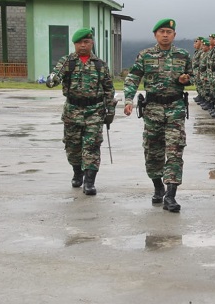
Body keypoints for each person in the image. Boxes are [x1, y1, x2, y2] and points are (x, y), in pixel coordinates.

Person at [123, 19, 191, 213]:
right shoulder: (145, 55)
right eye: (161, 31)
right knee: (153, 152)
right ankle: (158, 186)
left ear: (174, 35)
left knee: (175, 150)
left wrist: (186, 80)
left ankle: (170, 195)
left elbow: (193, 76)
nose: (165, 34)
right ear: (155, 35)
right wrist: (129, 99)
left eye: (169, 31)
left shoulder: (183, 55)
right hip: (152, 110)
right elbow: (133, 77)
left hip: (175, 109)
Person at [46, 28, 115, 196]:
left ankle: (90, 182)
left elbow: (109, 90)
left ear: (92, 43)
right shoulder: (67, 61)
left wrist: (110, 111)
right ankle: (78, 172)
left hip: (94, 111)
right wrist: (51, 80)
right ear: (74, 44)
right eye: (79, 43)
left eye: (86, 42)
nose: (83, 46)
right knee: (72, 146)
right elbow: (54, 79)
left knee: (92, 146)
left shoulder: (100, 65)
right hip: (72, 111)